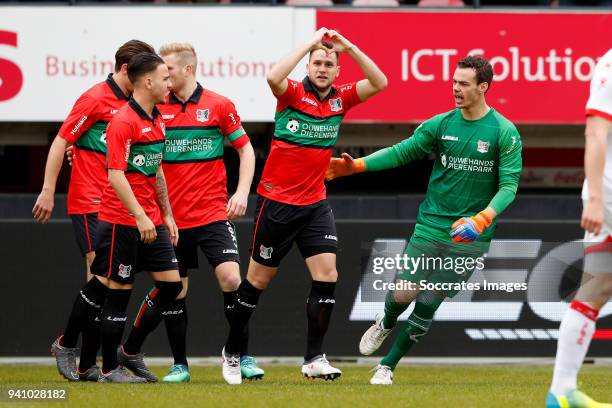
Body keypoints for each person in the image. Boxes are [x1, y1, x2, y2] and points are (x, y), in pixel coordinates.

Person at [326, 55, 522, 385]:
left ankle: (387, 366)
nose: (455, 88)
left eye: (464, 84)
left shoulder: (504, 132)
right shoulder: (441, 124)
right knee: (404, 293)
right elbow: (402, 151)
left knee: (429, 302)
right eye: (454, 82)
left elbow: (509, 185)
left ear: (483, 87)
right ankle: (386, 320)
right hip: (431, 225)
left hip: (470, 236)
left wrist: (482, 219)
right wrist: (357, 166)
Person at [223, 27, 387, 384]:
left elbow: (380, 81)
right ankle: (232, 352)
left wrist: (351, 47)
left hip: (315, 203)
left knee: (328, 276)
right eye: (317, 62)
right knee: (256, 282)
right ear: (308, 66)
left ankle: (314, 358)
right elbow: (272, 76)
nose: (323, 68)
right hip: (277, 204)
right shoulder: (292, 94)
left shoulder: (342, 98)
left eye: (329, 63)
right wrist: (308, 44)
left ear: (337, 70)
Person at [118, 42, 262, 383]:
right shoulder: (153, 108)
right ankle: (179, 364)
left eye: (167, 67)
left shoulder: (219, 105)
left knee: (231, 279)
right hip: (171, 220)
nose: (161, 73)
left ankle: (240, 355)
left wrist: (241, 192)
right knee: (175, 291)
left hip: (213, 213)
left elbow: (246, 151)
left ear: (187, 69)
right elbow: (123, 147)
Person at [34, 40, 155, 382]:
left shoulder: (137, 105)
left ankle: (86, 359)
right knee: (100, 280)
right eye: (142, 73)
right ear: (126, 70)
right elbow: (61, 141)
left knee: (109, 284)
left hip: (119, 207)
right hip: (90, 202)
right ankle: (77, 352)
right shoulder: (95, 98)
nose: (150, 80)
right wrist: (47, 189)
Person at [92, 51, 181, 383]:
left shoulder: (158, 118)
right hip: (122, 220)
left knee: (172, 286)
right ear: (148, 81)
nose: (169, 83)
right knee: (119, 292)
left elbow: (156, 170)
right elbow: (115, 175)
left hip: (152, 219)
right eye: (164, 78)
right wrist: (140, 215)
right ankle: (109, 369)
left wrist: (166, 215)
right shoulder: (123, 121)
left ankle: (129, 350)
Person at [546, 49, 612, 408]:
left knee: (597, 288)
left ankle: (561, 391)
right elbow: (596, 132)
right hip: (610, 192)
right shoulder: (610, 66)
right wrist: (597, 200)